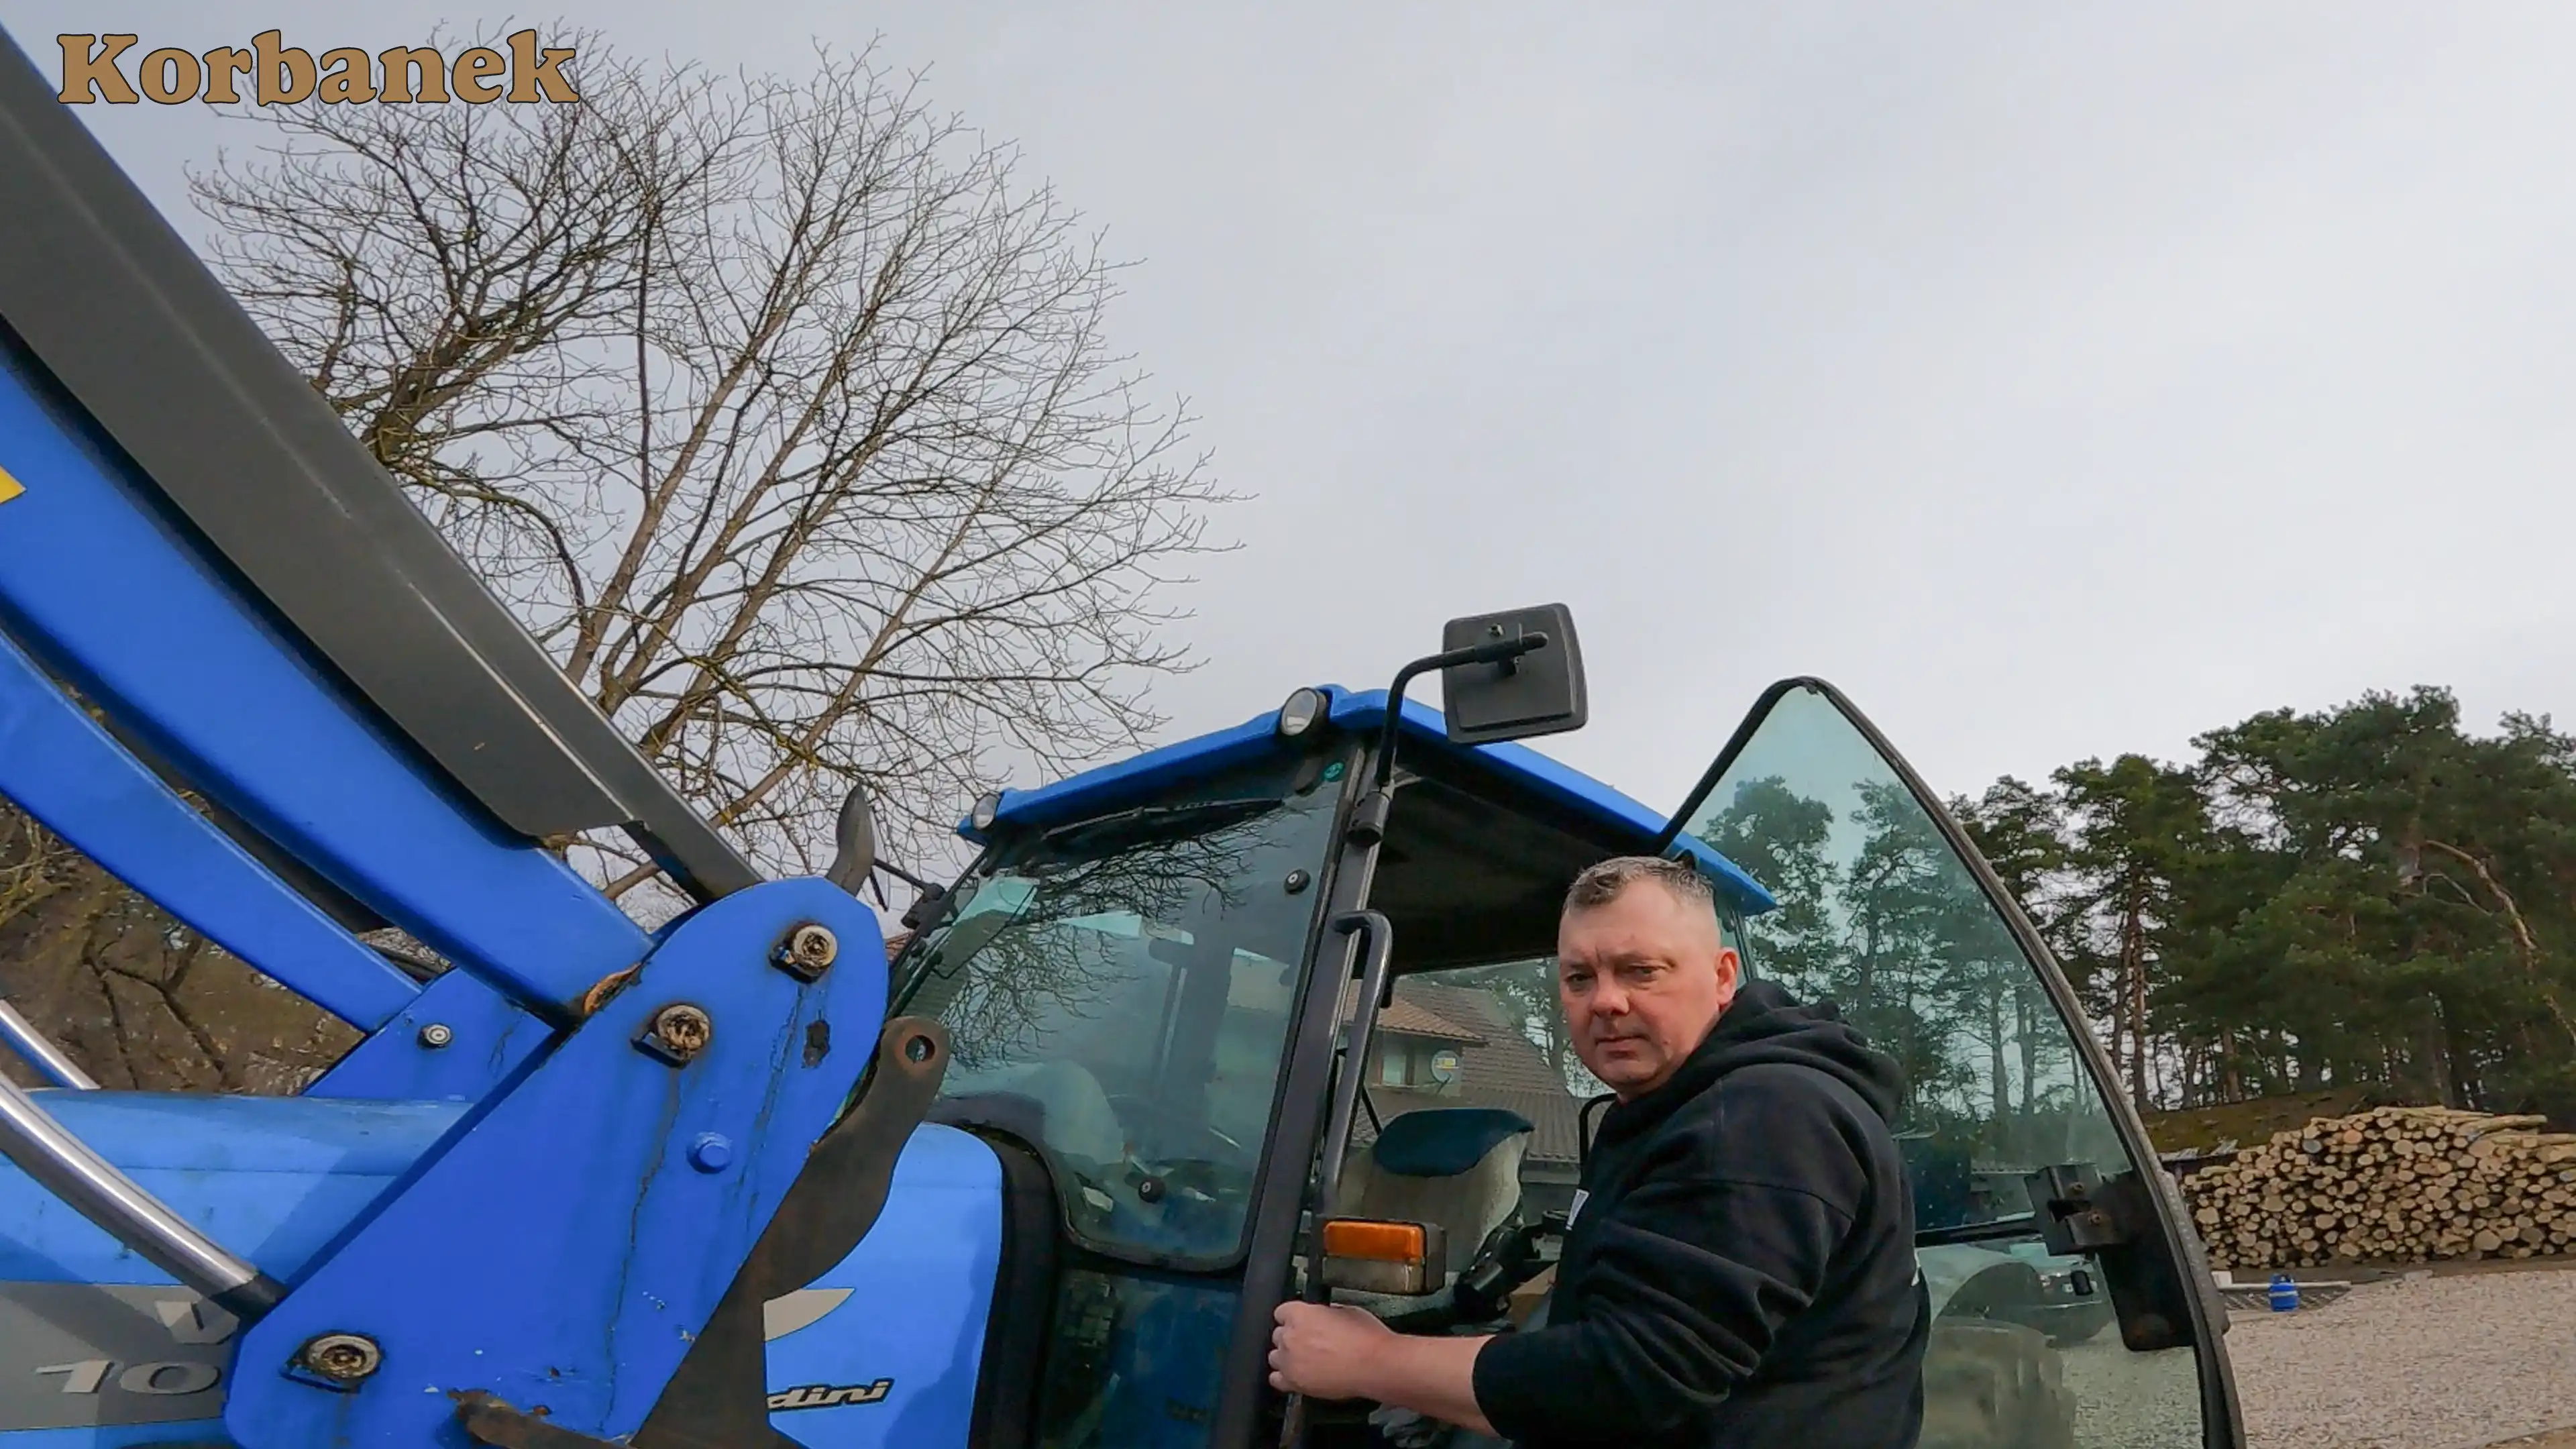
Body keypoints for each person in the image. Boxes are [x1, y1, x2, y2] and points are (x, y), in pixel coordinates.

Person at [1269, 855, 1929, 1448]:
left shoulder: (1765, 1118)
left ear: (1724, 976)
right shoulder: (1666, 1110)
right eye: (1580, 977)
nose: (1607, 1001)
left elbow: (1637, 1378)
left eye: (1641, 971)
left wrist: (1371, 1362)